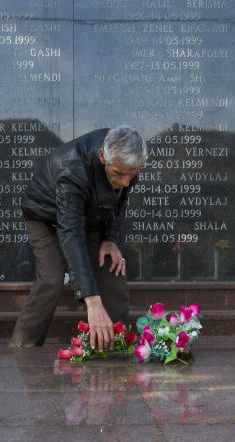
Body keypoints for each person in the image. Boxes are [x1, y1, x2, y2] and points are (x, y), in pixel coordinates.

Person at [9, 126, 146, 350]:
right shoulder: (72, 169)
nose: (126, 182)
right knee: (52, 279)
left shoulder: (127, 160)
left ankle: (117, 345)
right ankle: (23, 348)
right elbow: (70, 233)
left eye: (133, 175)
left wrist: (110, 240)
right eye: (119, 174)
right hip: (46, 218)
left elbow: (119, 201)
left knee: (111, 268)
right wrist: (91, 300)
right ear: (103, 156)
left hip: (91, 217)